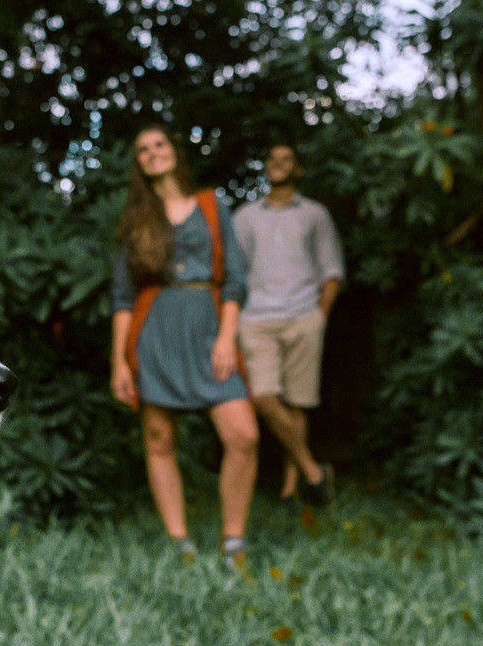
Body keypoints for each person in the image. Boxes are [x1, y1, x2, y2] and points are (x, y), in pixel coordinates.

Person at [110, 124, 259, 572]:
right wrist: (119, 360)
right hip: (154, 328)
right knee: (159, 439)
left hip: (210, 326)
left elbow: (235, 277)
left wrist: (227, 336)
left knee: (244, 435)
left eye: (159, 144)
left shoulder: (213, 205)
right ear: (138, 163)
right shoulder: (136, 219)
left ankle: (233, 540)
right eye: (143, 149)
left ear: (174, 151)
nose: (153, 153)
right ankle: (181, 543)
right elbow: (122, 297)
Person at [231, 142, 344, 509]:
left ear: (297, 170)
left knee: (297, 403)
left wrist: (319, 318)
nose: (277, 164)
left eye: (286, 160)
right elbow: (233, 273)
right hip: (256, 319)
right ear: (265, 167)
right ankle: (314, 471)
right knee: (263, 397)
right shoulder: (246, 217)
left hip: (303, 317)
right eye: (272, 158)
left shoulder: (315, 215)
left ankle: (290, 491)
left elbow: (332, 272)